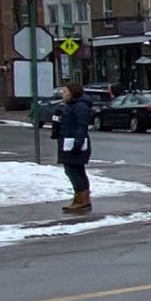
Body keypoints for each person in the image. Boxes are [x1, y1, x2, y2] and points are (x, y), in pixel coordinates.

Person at [52, 80, 96, 212]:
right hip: (68, 142)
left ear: (73, 93)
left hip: (73, 144)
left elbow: (82, 126)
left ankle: (81, 200)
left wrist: (77, 142)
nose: (63, 94)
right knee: (77, 170)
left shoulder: (80, 106)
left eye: (65, 91)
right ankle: (84, 199)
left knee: (72, 171)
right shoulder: (69, 105)